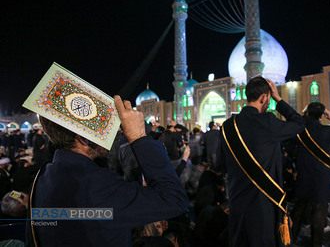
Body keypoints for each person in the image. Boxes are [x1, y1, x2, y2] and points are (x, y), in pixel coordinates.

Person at [25, 96, 189, 246]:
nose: (110, 135)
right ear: (84, 138)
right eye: (104, 128)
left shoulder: (43, 177)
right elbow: (174, 199)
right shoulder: (95, 185)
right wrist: (138, 136)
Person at [215, 76, 305, 246]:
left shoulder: (227, 127)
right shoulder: (268, 122)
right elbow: (299, 124)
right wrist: (279, 99)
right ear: (265, 98)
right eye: (269, 99)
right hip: (264, 207)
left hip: (237, 203)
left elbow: (220, 165)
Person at [291, 102, 330, 246]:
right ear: (323, 116)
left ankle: (290, 240)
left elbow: (290, 149)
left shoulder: (300, 131)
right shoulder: (327, 131)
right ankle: (316, 244)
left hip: (304, 176)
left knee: (299, 210)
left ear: (307, 114)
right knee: (319, 213)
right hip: (322, 177)